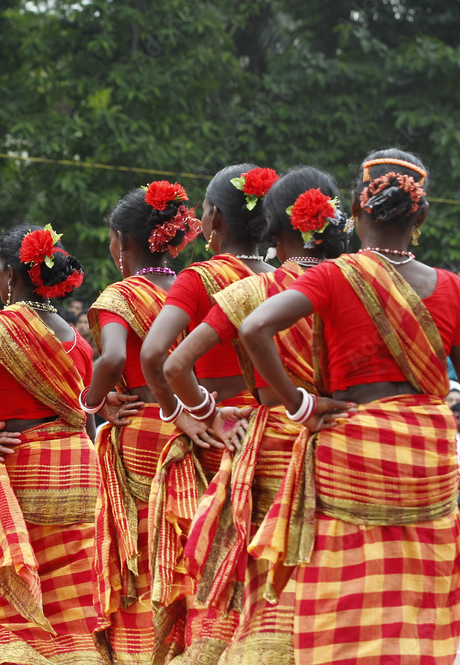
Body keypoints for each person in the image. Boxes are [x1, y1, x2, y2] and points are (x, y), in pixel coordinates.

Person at [241, 150, 460, 662]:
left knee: (347, 593)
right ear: (421, 217)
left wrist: (299, 404)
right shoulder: (451, 288)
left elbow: (255, 329)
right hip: (429, 458)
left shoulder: (335, 276)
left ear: (356, 213)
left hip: (353, 452)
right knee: (418, 588)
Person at [161, 167, 351, 662]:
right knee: (332, 567)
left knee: (266, 581)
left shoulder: (253, 292)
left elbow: (174, 363)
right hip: (341, 443)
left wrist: (209, 414)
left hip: (269, 446)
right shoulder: (360, 284)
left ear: (273, 223)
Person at [0, 224, 104, 664]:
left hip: (23, 470)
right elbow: (85, 417)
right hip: (78, 470)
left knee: (8, 598)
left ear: (12, 276)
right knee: (74, 599)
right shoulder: (75, 338)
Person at [139, 165, 277, 663]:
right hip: (272, 437)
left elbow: (155, 356)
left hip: (213, 441)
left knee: (206, 574)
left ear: (213, 219)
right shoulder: (287, 280)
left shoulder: (201, 278)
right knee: (258, 571)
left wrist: (191, 411)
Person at [81, 182, 202, 662]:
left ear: (121, 241)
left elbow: (111, 358)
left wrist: (93, 401)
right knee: (188, 536)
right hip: (196, 421)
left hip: (144, 426)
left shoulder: (120, 295)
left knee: (141, 548)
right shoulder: (194, 288)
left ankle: (140, 649)